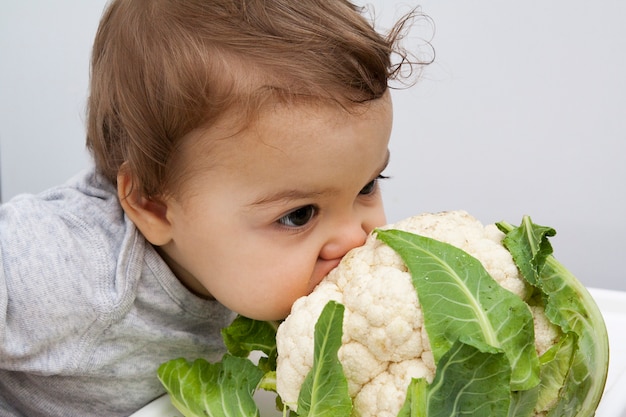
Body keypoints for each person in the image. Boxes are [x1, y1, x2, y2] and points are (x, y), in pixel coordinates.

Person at [0, 0, 428, 415]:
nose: (357, 238)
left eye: (367, 185)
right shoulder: (75, 268)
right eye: (299, 215)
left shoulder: (262, 247)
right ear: (154, 206)